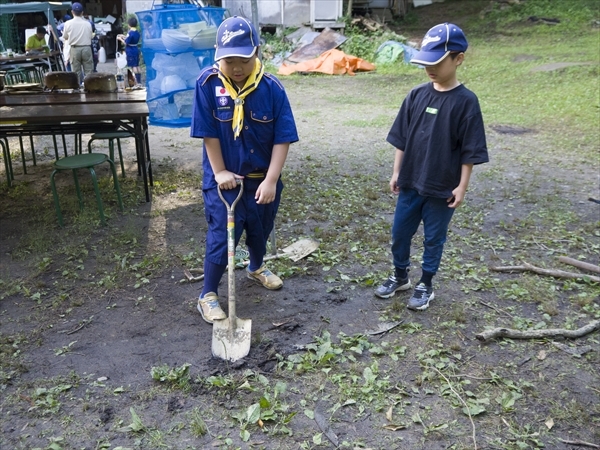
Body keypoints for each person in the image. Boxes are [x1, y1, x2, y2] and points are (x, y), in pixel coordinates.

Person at [190, 16, 299, 323]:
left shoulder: (273, 89)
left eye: (243, 60)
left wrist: (272, 179)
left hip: (261, 179)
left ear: (257, 52)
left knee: (260, 227)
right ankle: (208, 294)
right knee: (223, 234)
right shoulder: (207, 84)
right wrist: (220, 172)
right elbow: (209, 133)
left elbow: (283, 137)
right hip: (223, 179)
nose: (236, 68)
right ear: (216, 55)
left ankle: (255, 267)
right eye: (228, 61)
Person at [374, 23, 489, 311]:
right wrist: (396, 171)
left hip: (442, 188)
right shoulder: (416, 95)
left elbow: (470, 150)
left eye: (437, 62)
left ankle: (426, 282)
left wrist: (462, 186)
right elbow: (401, 137)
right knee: (400, 233)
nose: (430, 68)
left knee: (433, 239)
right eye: (426, 61)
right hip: (411, 182)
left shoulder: (466, 102)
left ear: (458, 58)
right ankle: (400, 276)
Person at [62, 3, 93, 82]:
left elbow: (65, 37)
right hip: (86, 48)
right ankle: (89, 89)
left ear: (72, 12)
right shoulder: (88, 23)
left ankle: (78, 90)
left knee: (76, 72)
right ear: (82, 12)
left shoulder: (67, 23)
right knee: (89, 72)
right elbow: (91, 36)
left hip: (75, 49)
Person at [117, 17, 141, 85]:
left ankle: (136, 81)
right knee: (137, 65)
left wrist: (120, 39)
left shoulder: (130, 32)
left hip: (130, 51)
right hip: (136, 49)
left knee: (133, 66)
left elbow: (126, 42)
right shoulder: (137, 32)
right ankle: (139, 80)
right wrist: (124, 36)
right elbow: (131, 39)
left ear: (129, 25)